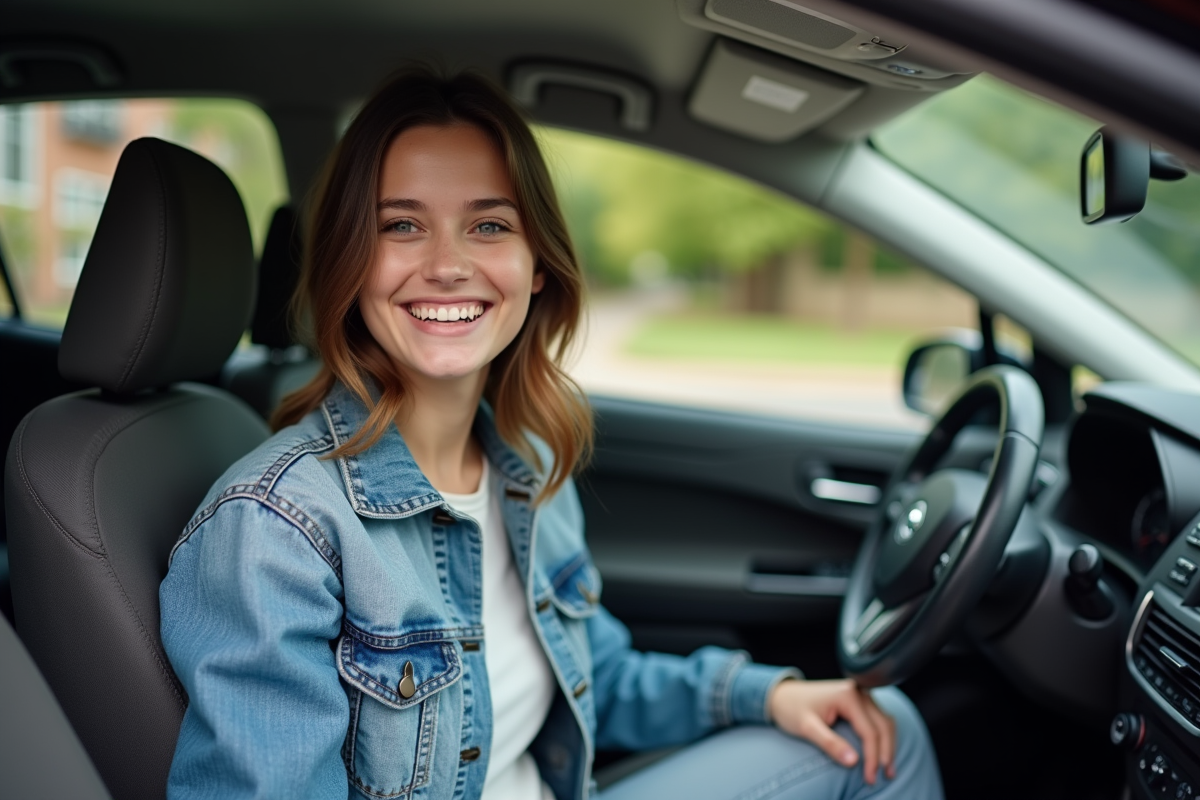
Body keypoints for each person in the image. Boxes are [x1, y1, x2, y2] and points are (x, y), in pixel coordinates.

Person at [159, 66, 943, 800]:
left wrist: (765, 693)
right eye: (401, 225)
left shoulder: (525, 465)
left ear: (537, 267)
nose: (447, 264)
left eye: (489, 226)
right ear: (348, 263)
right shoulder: (275, 527)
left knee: (879, 729)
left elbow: (595, 672)